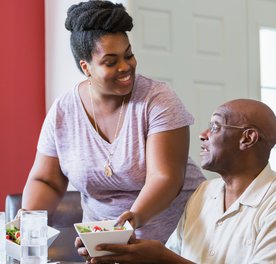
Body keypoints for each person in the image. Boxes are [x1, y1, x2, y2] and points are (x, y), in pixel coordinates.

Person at [21, 0, 204, 244]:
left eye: (128, 55)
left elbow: (166, 178)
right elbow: (47, 180)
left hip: (178, 241)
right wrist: (28, 223)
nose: (125, 67)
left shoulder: (158, 100)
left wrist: (131, 221)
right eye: (111, 61)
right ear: (86, 67)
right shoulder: (63, 111)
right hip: (104, 246)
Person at [85, 99, 276, 264]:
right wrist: (121, 251)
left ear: (247, 138)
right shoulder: (203, 193)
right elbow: (175, 256)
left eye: (216, 126)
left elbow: (170, 260)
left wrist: (163, 259)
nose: (203, 134)